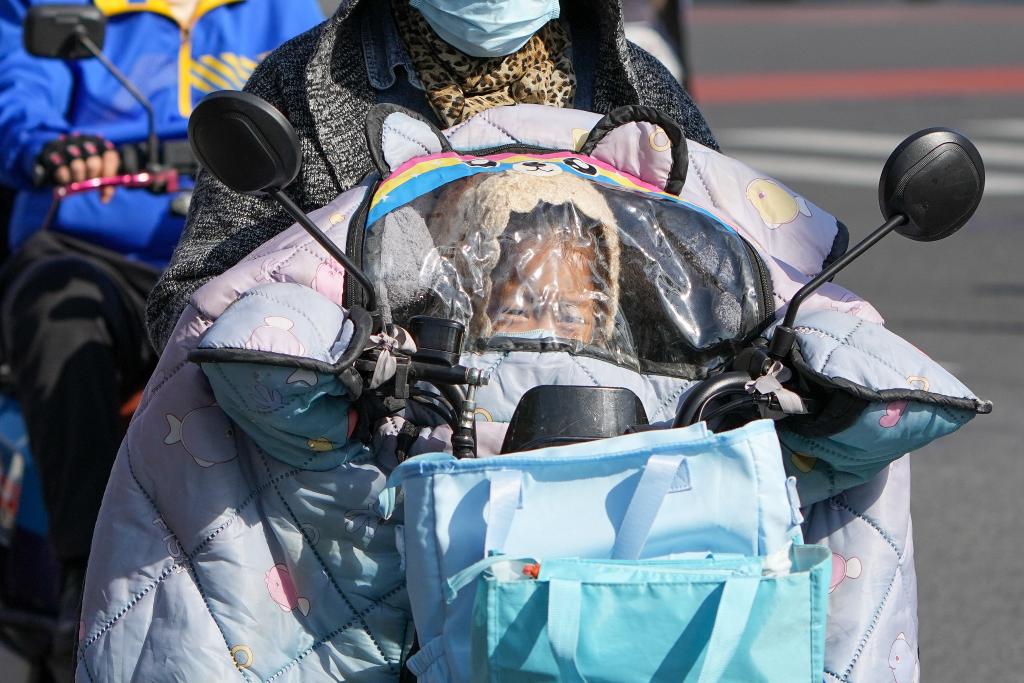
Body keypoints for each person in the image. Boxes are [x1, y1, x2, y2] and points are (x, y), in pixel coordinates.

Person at [0, 0, 323, 674]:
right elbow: (18, 97)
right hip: (96, 257)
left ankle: (309, 580)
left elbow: (320, 111)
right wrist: (48, 147)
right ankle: (84, 578)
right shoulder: (58, 10)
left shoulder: (284, 11)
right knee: (58, 302)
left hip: (231, 262)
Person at [145, 0, 720, 353]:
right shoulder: (296, 84)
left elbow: (725, 285)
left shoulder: (640, 91)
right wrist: (327, 352)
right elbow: (193, 303)